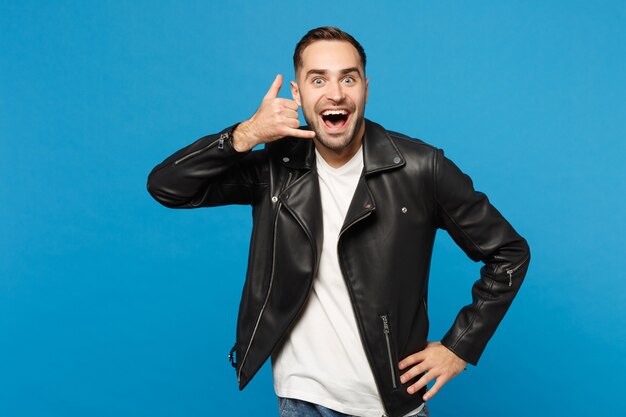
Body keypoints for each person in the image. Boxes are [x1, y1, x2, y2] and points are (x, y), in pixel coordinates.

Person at [147, 26, 530, 417]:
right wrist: (245, 134)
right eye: (318, 80)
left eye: (348, 78)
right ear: (297, 94)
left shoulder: (420, 168)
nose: (335, 93)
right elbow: (167, 187)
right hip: (301, 400)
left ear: (365, 87)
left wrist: (459, 347)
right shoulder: (276, 169)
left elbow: (509, 253)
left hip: (389, 405)